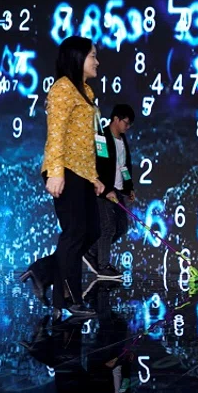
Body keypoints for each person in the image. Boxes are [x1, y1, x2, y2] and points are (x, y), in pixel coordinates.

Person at [20, 36, 105, 319]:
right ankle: (69, 298)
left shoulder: (87, 92)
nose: (96, 61)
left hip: (82, 172)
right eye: (92, 55)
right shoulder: (62, 90)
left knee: (91, 231)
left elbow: (88, 141)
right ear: (78, 58)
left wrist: (94, 176)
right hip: (64, 170)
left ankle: (43, 272)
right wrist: (55, 172)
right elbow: (55, 135)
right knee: (74, 233)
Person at [82, 104, 135, 280]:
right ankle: (102, 265)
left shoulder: (123, 140)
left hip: (119, 190)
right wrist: (106, 191)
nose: (127, 127)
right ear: (116, 119)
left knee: (121, 227)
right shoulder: (102, 137)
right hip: (104, 190)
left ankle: (91, 252)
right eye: (126, 123)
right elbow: (99, 165)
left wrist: (129, 188)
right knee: (107, 227)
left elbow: (124, 166)